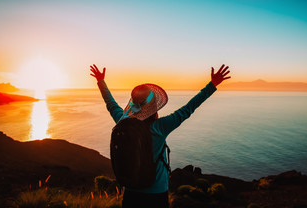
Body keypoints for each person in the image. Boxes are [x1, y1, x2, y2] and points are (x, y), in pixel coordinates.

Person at [90, 64, 230, 208]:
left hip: (130, 191)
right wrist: (212, 84)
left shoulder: (123, 122)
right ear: (154, 105)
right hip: (156, 193)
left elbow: (111, 104)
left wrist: (101, 81)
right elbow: (188, 108)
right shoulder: (161, 127)